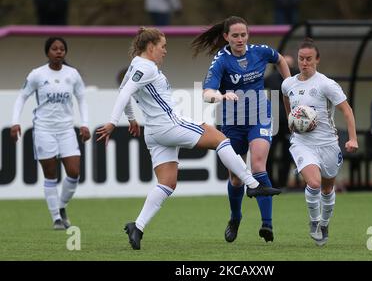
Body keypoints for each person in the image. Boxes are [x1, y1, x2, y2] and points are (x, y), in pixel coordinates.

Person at [96, 27, 281, 250]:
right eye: (163, 47)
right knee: (220, 139)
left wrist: (132, 118)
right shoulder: (147, 67)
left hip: (154, 133)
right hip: (169, 125)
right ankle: (252, 185)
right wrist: (113, 122)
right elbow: (125, 93)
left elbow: (124, 89)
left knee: (167, 183)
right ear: (151, 47)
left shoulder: (136, 64)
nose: (165, 51)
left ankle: (138, 226)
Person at [192, 16, 291, 243]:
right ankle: (235, 217)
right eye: (235, 35)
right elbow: (207, 93)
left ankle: (267, 224)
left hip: (261, 117)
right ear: (226, 36)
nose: (240, 39)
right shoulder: (221, 61)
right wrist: (221, 95)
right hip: (232, 123)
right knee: (236, 179)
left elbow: (280, 60)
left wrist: (290, 84)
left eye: (243, 35)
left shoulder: (260, 51)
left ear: (248, 35)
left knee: (257, 165)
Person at [281, 38, 358, 246]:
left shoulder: (326, 84)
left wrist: (352, 138)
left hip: (328, 144)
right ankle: (314, 221)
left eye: (308, 59)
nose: (304, 63)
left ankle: (324, 223)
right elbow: (286, 97)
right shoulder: (289, 83)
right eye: (301, 59)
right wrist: (291, 118)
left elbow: (347, 111)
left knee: (326, 188)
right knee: (313, 183)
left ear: (317, 60)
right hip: (302, 142)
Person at [11, 37, 91, 230]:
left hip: (66, 130)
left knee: (74, 172)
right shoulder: (37, 74)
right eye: (54, 49)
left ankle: (62, 206)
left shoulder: (72, 74)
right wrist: (15, 122)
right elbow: (21, 97)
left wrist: (85, 124)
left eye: (62, 49)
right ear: (47, 52)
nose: (58, 52)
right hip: (44, 129)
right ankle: (56, 217)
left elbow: (81, 99)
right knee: (50, 174)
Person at [265, 54, 299, 188]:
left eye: (289, 65)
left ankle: (282, 183)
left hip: (289, 123)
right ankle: (270, 182)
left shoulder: (296, 79)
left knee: (287, 153)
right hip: (273, 122)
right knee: (269, 153)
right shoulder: (271, 79)